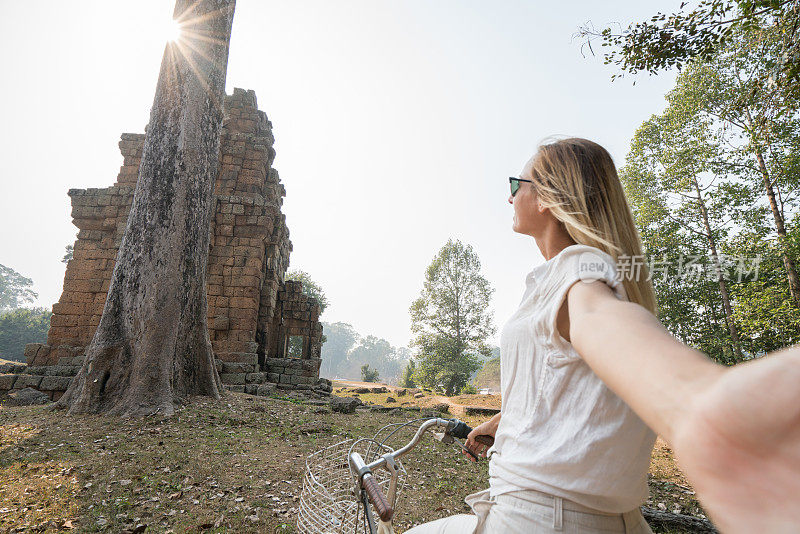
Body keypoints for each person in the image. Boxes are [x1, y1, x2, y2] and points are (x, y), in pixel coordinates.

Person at [405, 137, 800, 534]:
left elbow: (601, 323)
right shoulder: (586, 275)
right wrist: (503, 422)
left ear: (544, 198)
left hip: (541, 518)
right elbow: (571, 385)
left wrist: (700, 403)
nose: (509, 198)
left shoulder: (580, 269)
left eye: (515, 185)